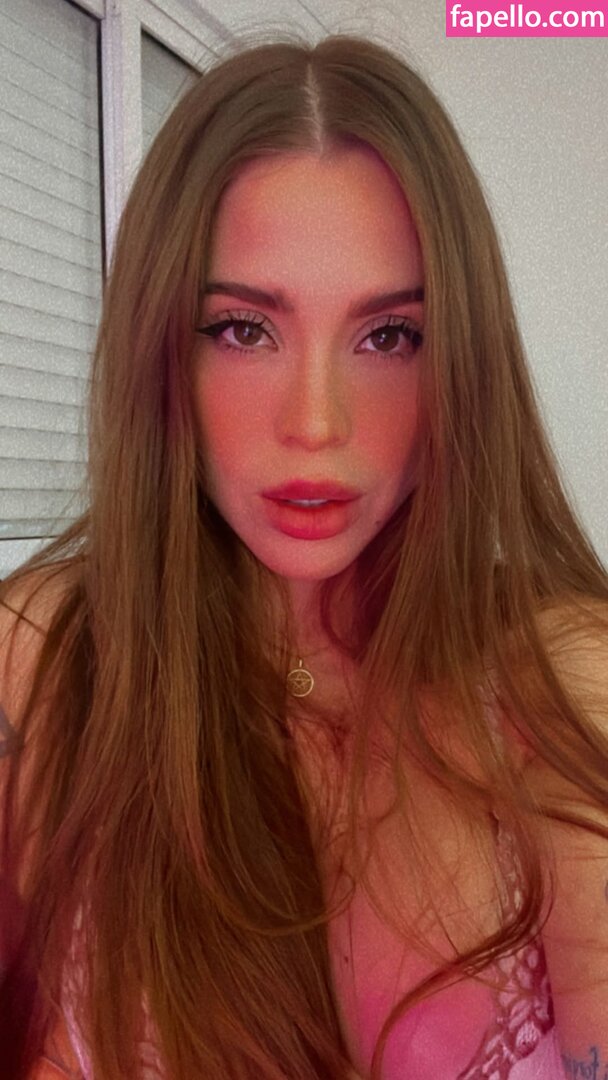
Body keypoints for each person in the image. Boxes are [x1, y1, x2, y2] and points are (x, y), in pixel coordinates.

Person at [0, 29, 607, 1080]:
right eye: (244, 329)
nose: (316, 423)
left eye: (388, 337)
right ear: (161, 347)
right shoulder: (41, 658)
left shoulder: (560, 684)